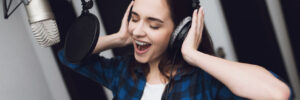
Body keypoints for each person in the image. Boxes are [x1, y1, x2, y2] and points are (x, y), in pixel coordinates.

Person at [58, 0, 292, 99]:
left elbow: (276, 93)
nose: (138, 31)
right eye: (134, 18)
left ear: (180, 31)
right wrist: (118, 39)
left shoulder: (204, 81)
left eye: (153, 24)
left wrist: (192, 55)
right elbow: (70, 57)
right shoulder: (122, 72)